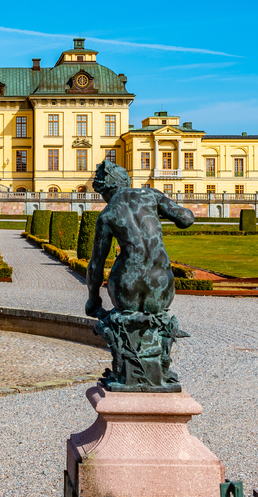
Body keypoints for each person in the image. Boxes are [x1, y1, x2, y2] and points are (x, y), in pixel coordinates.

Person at [86, 161, 194, 390]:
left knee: (124, 319)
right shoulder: (151, 195)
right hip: (161, 281)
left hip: (127, 283)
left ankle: (128, 373)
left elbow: (96, 264)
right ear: (125, 182)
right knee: (157, 320)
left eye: (102, 193)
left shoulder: (107, 214)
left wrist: (92, 298)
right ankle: (158, 371)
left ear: (106, 189)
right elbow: (186, 219)